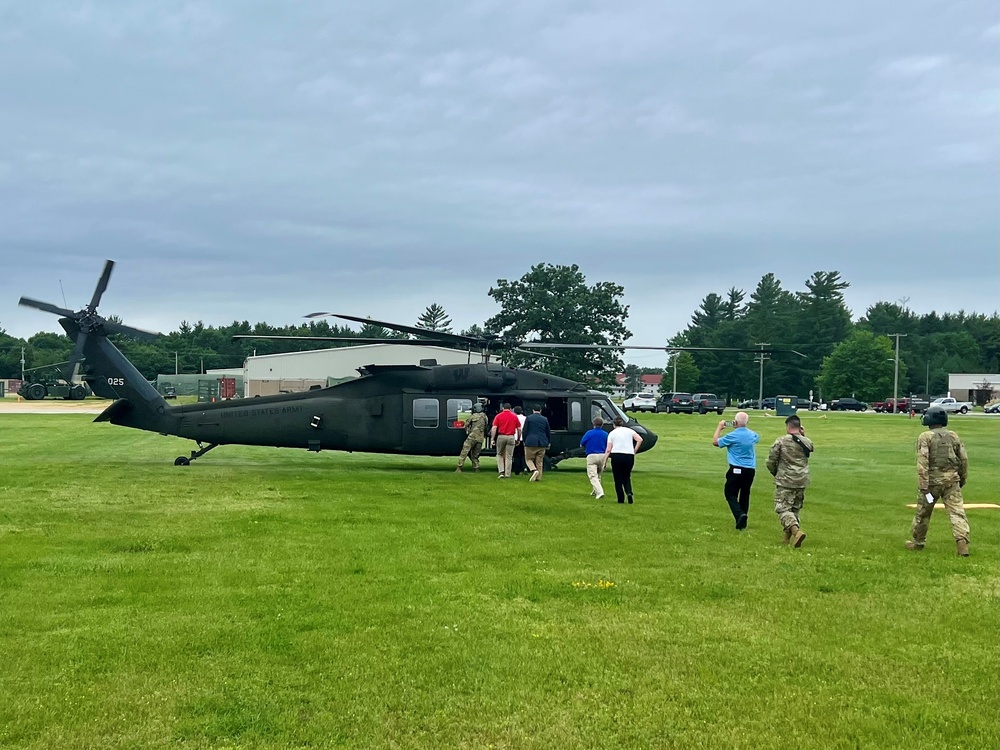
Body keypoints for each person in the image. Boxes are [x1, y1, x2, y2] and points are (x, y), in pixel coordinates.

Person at [905, 406, 971, 556]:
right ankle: (962, 545)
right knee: (957, 513)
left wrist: (923, 485)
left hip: (932, 483)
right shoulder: (953, 436)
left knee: (923, 513)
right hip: (952, 481)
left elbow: (923, 462)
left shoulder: (925, 437)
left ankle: (918, 542)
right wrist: (962, 478)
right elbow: (963, 459)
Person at [766, 415, 814, 547]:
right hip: (802, 480)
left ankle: (796, 532)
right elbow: (809, 449)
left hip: (786, 480)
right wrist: (803, 435)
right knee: (794, 509)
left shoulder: (781, 441)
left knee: (782, 508)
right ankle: (786, 539)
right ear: (799, 426)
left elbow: (771, 461)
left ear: (788, 426)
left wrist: (776, 473)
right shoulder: (807, 441)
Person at [713, 411, 760, 529]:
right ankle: (742, 522)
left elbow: (716, 442)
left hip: (736, 469)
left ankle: (739, 514)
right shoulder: (752, 435)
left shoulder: (732, 436)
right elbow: (756, 437)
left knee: (730, 493)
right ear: (747, 422)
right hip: (750, 469)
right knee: (745, 493)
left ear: (735, 422)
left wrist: (719, 427)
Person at [603, 416, 642, 503]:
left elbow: (608, 449)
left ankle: (620, 498)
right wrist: (634, 450)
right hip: (629, 455)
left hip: (617, 455)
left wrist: (604, 462)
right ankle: (629, 492)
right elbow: (639, 439)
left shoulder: (612, 433)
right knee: (627, 476)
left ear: (614, 424)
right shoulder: (629, 431)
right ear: (622, 423)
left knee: (618, 478)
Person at [490, 402, 521, 479]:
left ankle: (501, 472)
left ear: (503, 408)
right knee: (509, 456)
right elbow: (519, 429)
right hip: (511, 437)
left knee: (500, 454)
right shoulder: (514, 416)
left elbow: (494, 428)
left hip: (501, 436)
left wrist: (492, 438)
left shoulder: (498, 416)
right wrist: (518, 439)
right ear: (510, 409)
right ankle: (508, 474)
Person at [580, 416, 608, 499]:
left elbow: (582, 443)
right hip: (603, 455)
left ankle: (600, 492)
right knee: (598, 475)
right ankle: (595, 491)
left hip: (592, 455)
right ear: (602, 424)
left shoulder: (589, 433)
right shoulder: (605, 434)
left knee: (593, 476)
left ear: (593, 424)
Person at [521, 404, 551, 482]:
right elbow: (548, 432)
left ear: (533, 410)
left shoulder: (529, 418)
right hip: (542, 442)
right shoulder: (545, 419)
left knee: (528, 459)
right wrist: (548, 441)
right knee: (539, 461)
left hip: (530, 441)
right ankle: (539, 477)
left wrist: (524, 440)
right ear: (540, 410)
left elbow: (525, 431)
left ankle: (534, 470)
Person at [456, 402, 488, 473]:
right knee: (475, 455)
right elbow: (486, 427)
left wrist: (468, 431)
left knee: (464, 452)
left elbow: (466, 425)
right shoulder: (485, 417)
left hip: (472, 437)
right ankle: (476, 468)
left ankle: (459, 467)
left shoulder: (473, 416)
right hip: (480, 438)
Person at [511, 405, 527, 475]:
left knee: (516, 455)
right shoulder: (525, 418)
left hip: (515, 437)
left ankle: (516, 470)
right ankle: (524, 468)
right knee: (523, 455)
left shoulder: (513, 418)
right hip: (523, 438)